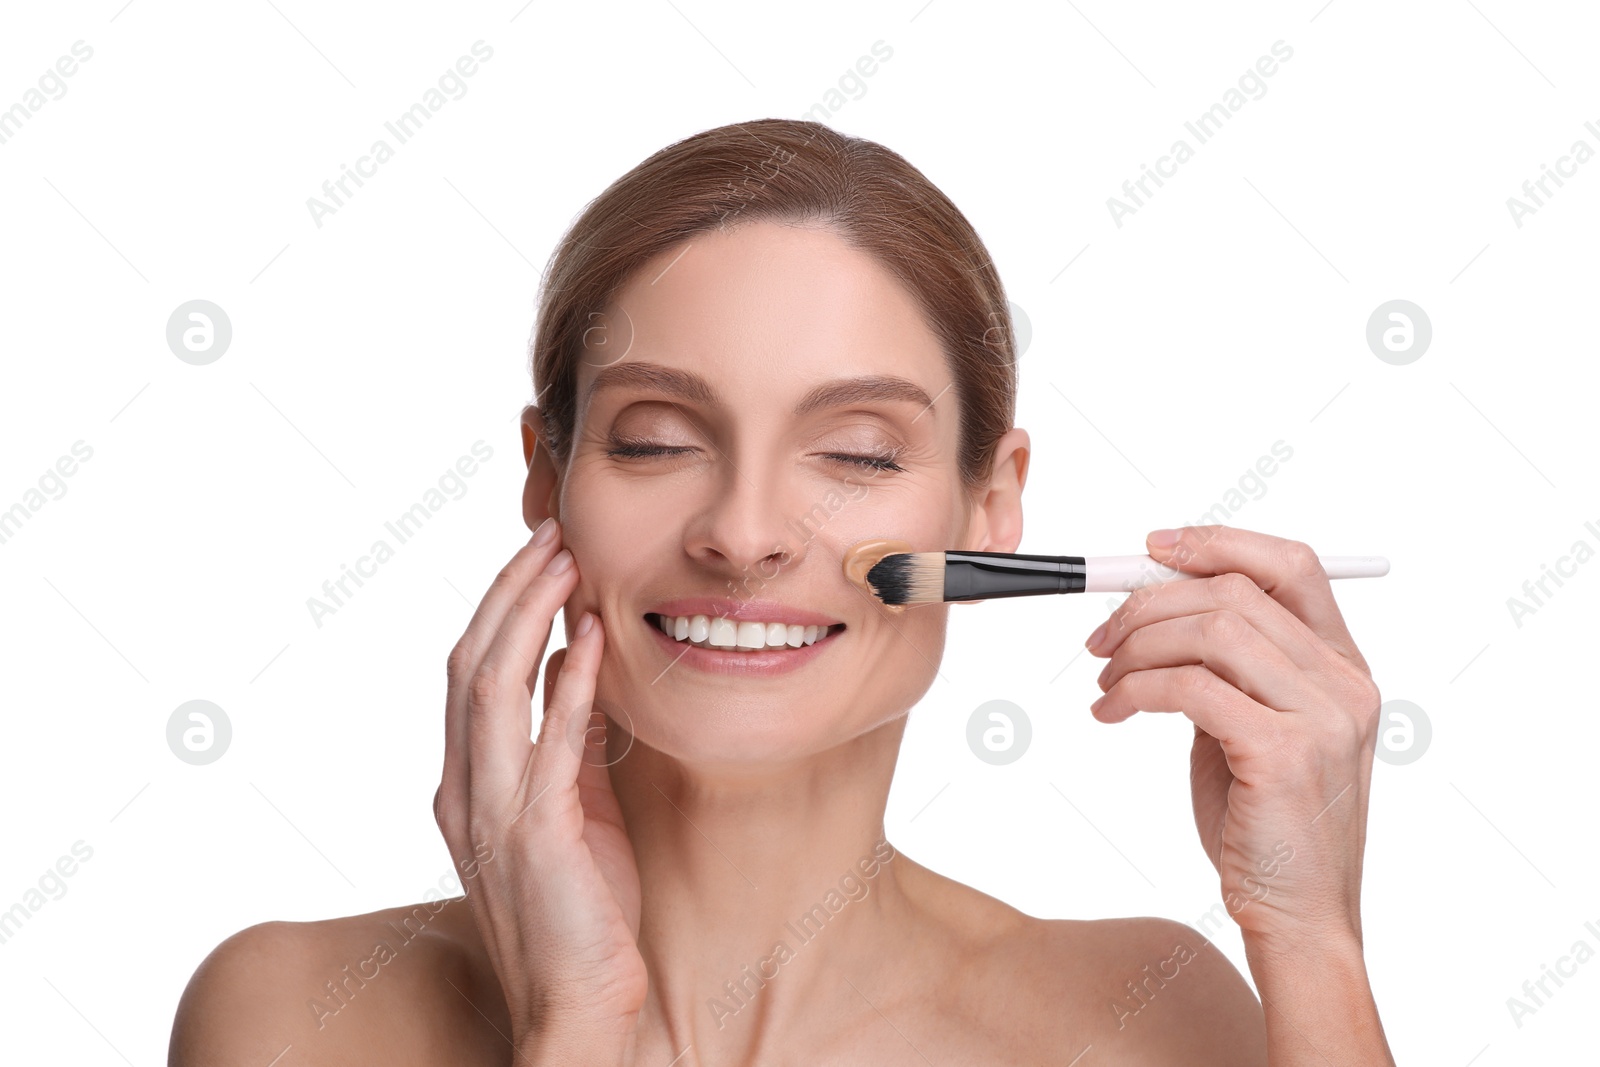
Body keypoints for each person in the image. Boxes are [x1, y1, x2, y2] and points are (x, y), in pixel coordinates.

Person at [169, 119, 1393, 1065]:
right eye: (655, 439)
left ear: (991, 504)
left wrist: (1314, 945)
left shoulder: (1146, 1019)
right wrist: (581, 1026)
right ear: (547, 477)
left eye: (858, 452)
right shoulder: (292, 1017)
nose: (745, 533)